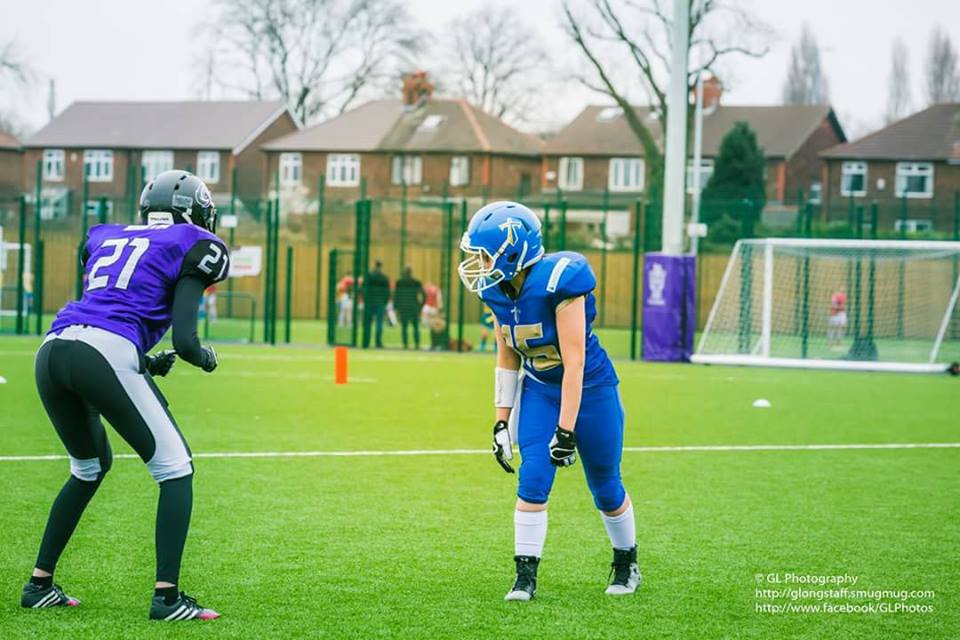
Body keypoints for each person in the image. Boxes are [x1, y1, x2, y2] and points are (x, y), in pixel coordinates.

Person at [23, 170, 228, 622]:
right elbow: (186, 341)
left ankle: (39, 585)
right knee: (176, 469)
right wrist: (205, 357)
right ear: (195, 212)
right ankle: (167, 598)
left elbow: (104, 308)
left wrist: (145, 361)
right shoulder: (194, 243)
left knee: (89, 467)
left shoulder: (105, 236)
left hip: (53, 348)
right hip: (104, 352)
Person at [458, 201, 639, 601]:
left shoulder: (561, 282)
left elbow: (575, 363)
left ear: (512, 252)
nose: (478, 265)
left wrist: (566, 430)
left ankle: (627, 563)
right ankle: (524, 576)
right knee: (533, 479)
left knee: (606, 485)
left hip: (590, 389)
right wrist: (501, 421)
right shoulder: (495, 291)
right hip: (540, 387)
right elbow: (507, 355)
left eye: (485, 255)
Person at [394, 267, 425, 349]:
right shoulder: (416, 282)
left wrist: (396, 307)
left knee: (404, 327)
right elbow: (424, 294)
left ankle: (405, 344)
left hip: (403, 307)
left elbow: (396, 295)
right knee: (416, 327)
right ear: (411, 272)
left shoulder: (399, 282)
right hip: (414, 307)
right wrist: (420, 305)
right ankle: (417, 344)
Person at [363, 261, 390, 348]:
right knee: (379, 323)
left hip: (369, 302)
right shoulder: (384, 278)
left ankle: (366, 342)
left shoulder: (369, 276)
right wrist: (385, 302)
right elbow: (387, 292)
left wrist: (365, 300)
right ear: (381, 266)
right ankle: (378, 342)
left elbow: (364, 288)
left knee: (368, 323)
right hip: (380, 302)